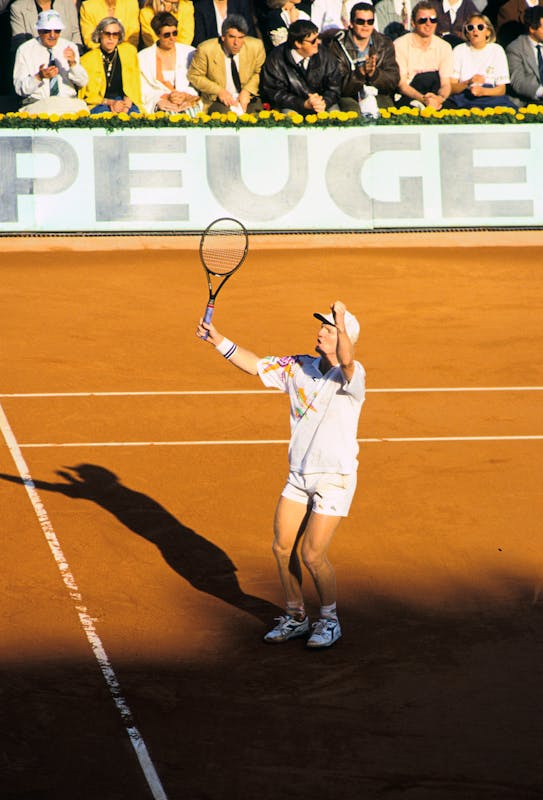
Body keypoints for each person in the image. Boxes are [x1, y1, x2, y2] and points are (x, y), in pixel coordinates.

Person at [196, 301, 365, 649]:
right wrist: (219, 341)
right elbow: (256, 365)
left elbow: (346, 360)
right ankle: (296, 616)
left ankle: (330, 621)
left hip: (335, 478)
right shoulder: (298, 366)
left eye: (329, 329)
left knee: (313, 555)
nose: (321, 331)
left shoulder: (353, 376)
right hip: (300, 475)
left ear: (344, 337)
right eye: (323, 327)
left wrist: (344, 326)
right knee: (282, 547)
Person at [260, 18, 342, 114]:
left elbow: (334, 88)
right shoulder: (276, 59)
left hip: (321, 103)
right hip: (291, 106)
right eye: (313, 41)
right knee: (288, 118)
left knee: (335, 115)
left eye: (318, 38)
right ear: (298, 43)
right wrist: (303, 104)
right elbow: (275, 92)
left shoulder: (326, 55)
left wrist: (323, 102)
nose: (318, 43)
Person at [13, 9, 88, 113]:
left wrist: (73, 64)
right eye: (47, 31)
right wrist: (39, 77)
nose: (52, 35)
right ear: (39, 31)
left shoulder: (70, 46)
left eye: (57, 31)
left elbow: (82, 82)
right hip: (37, 102)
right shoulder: (25, 50)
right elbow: (20, 89)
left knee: (84, 110)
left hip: (67, 102)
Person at [329, 2, 400, 111]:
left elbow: (393, 80)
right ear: (352, 23)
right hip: (348, 96)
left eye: (370, 22)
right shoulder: (337, 45)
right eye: (360, 21)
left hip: (378, 93)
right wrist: (360, 73)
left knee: (388, 113)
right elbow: (337, 85)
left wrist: (374, 74)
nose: (366, 25)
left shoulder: (384, 43)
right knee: (352, 111)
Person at [187, 14, 265, 113]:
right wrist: (219, 91)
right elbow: (194, 75)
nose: (236, 43)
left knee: (257, 119)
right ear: (223, 37)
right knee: (226, 120)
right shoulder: (205, 49)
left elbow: (259, 72)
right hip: (216, 99)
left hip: (247, 97)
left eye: (241, 38)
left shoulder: (256, 46)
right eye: (232, 37)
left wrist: (247, 90)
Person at [138, 11, 202, 113]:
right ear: (157, 34)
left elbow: (197, 82)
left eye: (175, 33)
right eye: (167, 35)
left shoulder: (190, 52)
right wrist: (165, 97)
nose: (172, 38)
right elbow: (144, 89)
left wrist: (184, 95)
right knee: (167, 113)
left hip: (187, 99)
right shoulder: (143, 57)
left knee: (192, 112)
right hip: (160, 100)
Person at [448, 12, 518, 105]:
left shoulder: (497, 50)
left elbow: (501, 89)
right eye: (470, 28)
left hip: (490, 95)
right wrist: (468, 83)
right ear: (467, 33)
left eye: (480, 27)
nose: (475, 31)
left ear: (488, 32)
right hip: (464, 94)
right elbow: (451, 88)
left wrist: (482, 91)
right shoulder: (459, 50)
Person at [393, 0, 453, 107]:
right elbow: (402, 85)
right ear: (413, 23)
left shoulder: (445, 47)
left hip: (435, 95)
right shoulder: (399, 45)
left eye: (433, 20)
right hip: (410, 95)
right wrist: (424, 100)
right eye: (423, 20)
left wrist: (439, 99)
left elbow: (446, 84)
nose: (428, 24)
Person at [79, 17, 142, 113]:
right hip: (100, 103)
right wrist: (110, 103)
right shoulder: (87, 60)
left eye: (115, 34)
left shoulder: (129, 52)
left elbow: (135, 85)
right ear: (100, 34)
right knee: (104, 117)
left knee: (135, 116)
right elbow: (87, 96)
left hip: (124, 102)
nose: (111, 38)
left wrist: (127, 103)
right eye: (107, 33)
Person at [10, 0, 82, 53]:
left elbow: (75, 33)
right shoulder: (18, 7)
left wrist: (73, 55)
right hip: (34, 63)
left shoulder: (67, 3)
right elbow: (20, 43)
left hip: (66, 61)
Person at [506, 4, 543, 101]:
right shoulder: (515, 49)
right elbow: (518, 82)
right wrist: (541, 91)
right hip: (528, 102)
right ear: (532, 29)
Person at [192, 0, 256, 47]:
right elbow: (200, 43)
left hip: (240, 54)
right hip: (212, 56)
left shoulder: (241, 4)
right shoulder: (200, 8)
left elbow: (250, 35)